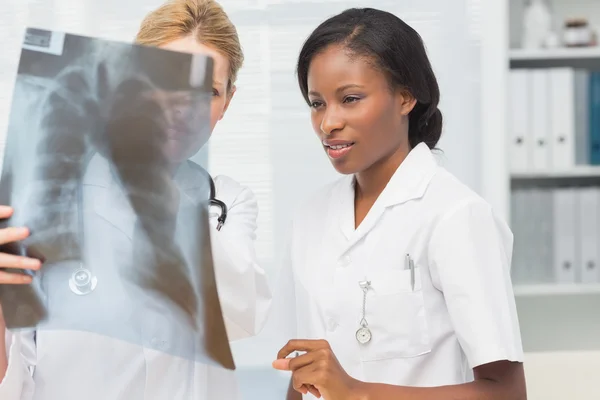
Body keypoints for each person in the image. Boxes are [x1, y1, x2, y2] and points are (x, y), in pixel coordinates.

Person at [0, 0, 272, 399]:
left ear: (226, 104)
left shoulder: (227, 202)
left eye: (208, 92)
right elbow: (13, 376)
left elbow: (243, 314)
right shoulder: (40, 199)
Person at [271, 7, 527, 400]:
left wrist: (357, 392)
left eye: (350, 99)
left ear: (406, 96)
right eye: (317, 103)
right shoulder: (309, 217)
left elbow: (506, 393)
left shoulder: (455, 216)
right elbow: (306, 374)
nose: (327, 123)